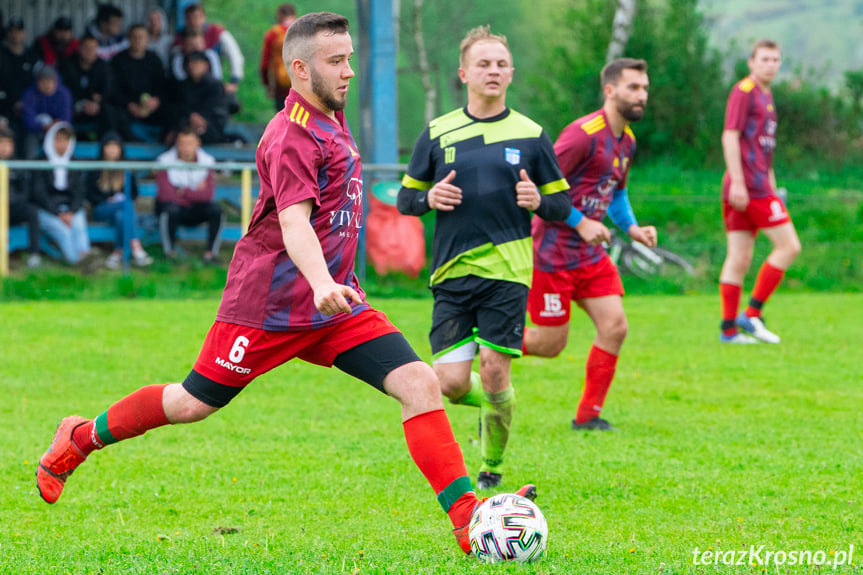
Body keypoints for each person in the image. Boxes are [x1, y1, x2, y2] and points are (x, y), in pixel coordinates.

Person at [35, 12, 534, 556]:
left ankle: (466, 518)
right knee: (191, 402)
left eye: (350, 59)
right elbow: (294, 222)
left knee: (418, 382)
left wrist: (329, 287)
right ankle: (79, 437)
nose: (347, 72)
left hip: (335, 304)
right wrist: (320, 280)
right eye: (335, 62)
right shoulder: (291, 133)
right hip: (267, 307)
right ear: (298, 69)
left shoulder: (330, 116)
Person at [397, 26, 572, 490]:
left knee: (494, 368)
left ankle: (492, 467)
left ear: (511, 73)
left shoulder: (532, 136)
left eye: (500, 64)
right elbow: (404, 200)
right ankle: (499, 405)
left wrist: (539, 200)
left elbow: (562, 206)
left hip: (508, 269)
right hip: (451, 271)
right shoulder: (437, 133)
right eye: (483, 64)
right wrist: (429, 196)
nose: (492, 71)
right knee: (451, 383)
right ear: (463, 74)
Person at [523, 58, 656, 432]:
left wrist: (632, 229)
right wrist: (580, 223)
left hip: (590, 255)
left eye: (644, 88)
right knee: (550, 345)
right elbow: (541, 188)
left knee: (614, 326)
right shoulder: (582, 134)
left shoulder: (627, 140)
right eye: (633, 87)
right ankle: (486, 346)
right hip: (552, 253)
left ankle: (588, 417)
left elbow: (616, 193)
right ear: (610, 90)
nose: (641, 95)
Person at [718, 40, 800, 344]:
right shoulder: (744, 91)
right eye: (765, 59)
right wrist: (738, 181)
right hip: (748, 186)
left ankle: (728, 330)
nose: (771, 64)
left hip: (760, 184)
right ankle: (751, 314)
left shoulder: (767, 95)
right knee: (789, 246)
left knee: (739, 258)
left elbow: (764, 149)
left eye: (776, 59)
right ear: (751, 62)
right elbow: (730, 136)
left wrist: (773, 183)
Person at [30, 122, 96, 266]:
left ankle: (84, 258)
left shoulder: (73, 163)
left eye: (66, 140)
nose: (62, 144)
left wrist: (71, 212)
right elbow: (38, 193)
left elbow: (79, 192)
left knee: (78, 224)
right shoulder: (40, 162)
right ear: (50, 140)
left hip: (70, 209)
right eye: (58, 139)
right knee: (63, 230)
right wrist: (58, 213)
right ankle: (78, 263)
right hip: (47, 209)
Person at [85, 131, 153, 269]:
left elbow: (134, 192)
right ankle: (135, 245)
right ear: (103, 148)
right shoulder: (96, 169)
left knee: (121, 216)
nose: (112, 150)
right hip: (101, 209)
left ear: (120, 149)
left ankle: (117, 253)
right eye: (108, 147)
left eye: (115, 147)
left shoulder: (126, 170)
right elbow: (90, 195)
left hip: (120, 211)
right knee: (126, 204)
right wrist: (107, 199)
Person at [154, 127, 222, 262]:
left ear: (198, 143)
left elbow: (207, 195)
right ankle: (170, 253)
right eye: (182, 143)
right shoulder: (163, 161)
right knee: (169, 210)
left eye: (190, 143)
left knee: (216, 210)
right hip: (175, 208)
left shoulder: (208, 161)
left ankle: (210, 254)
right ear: (176, 144)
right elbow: (165, 195)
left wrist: (182, 191)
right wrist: (195, 192)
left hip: (195, 208)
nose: (186, 147)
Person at [175, 4, 243, 114]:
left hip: (209, 84)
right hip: (187, 88)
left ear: (203, 17)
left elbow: (234, 55)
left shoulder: (216, 34)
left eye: (196, 17)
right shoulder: (179, 39)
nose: (193, 22)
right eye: (189, 18)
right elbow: (177, 68)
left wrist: (234, 81)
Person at [110, 25, 167, 141]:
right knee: (113, 113)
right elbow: (113, 90)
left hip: (151, 108)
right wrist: (129, 105)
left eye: (141, 37)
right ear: (128, 39)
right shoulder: (118, 60)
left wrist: (155, 100)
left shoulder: (155, 59)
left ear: (147, 40)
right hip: (126, 108)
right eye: (134, 37)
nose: (138, 40)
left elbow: (163, 86)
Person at [0, 126, 41, 267]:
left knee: (32, 211)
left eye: (8, 144)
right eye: (1, 143)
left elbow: (25, 192)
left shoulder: (18, 165)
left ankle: (34, 254)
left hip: (13, 208)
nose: (4, 148)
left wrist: (11, 200)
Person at [59, 34, 114, 138]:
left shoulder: (103, 66)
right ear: (79, 49)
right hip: (73, 107)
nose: (90, 52)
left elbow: (109, 89)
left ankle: (108, 144)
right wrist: (79, 104)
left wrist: (98, 102)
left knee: (110, 112)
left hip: (95, 108)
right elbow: (61, 90)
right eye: (87, 48)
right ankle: (64, 141)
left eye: (93, 48)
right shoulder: (67, 65)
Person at [174, 51, 229, 144]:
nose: (192, 66)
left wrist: (201, 119)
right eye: (190, 63)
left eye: (196, 62)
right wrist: (191, 116)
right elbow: (180, 106)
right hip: (187, 124)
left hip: (210, 126)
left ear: (206, 65)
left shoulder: (215, 86)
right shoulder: (183, 86)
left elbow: (216, 110)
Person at [20, 65, 72, 158]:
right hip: (36, 131)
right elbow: (28, 121)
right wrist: (44, 127)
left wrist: (54, 126)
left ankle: (65, 170)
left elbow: (66, 120)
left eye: (50, 81)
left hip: (57, 131)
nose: (47, 84)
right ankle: (32, 170)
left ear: (56, 82)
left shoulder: (64, 93)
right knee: (30, 139)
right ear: (37, 82)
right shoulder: (30, 94)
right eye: (43, 81)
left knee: (64, 137)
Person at [0, 18, 38, 144]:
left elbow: (39, 86)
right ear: (7, 33)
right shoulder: (2, 55)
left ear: (24, 33)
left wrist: (26, 104)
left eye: (19, 31)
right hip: (5, 110)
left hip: (29, 111)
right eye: (12, 31)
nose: (15, 34)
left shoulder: (32, 56)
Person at [259, 3, 297, 111]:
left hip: (280, 87)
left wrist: (268, 85)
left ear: (279, 15)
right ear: (294, 15)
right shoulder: (303, 32)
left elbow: (265, 64)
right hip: (302, 86)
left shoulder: (273, 33)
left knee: (284, 119)